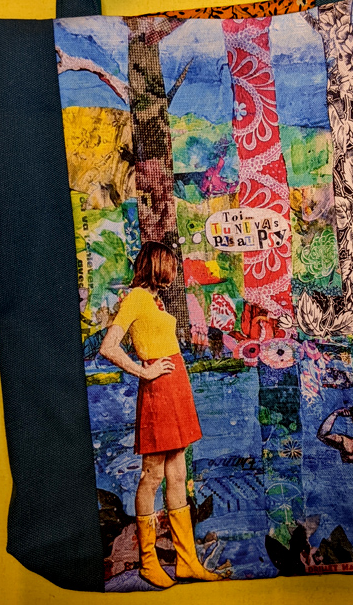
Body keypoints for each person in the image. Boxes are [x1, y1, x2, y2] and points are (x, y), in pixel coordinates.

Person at [99, 240, 221, 588]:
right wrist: (145, 371)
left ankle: (187, 562)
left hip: (175, 385)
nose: (174, 270)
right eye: (170, 264)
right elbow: (109, 347)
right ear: (156, 264)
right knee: (151, 476)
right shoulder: (137, 298)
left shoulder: (156, 300)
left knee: (178, 474)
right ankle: (148, 563)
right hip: (159, 389)